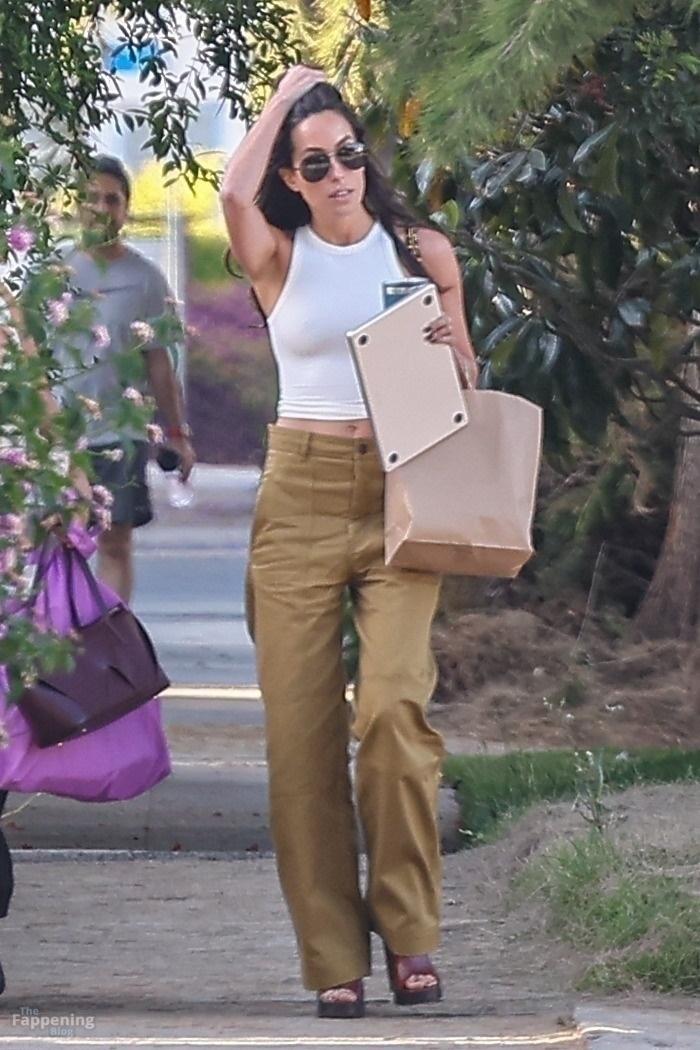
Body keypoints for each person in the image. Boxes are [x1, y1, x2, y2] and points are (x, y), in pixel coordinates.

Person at [220, 66, 478, 1018]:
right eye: (315, 163)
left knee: (395, 715)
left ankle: (410, 933)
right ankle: (334, 954)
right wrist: (282, 95)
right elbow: (231, 193)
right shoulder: (276, 255)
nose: (339, 174)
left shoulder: (421, 250)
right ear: (291, 177)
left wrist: (451, 352)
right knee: (301, 744)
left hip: (401, 494)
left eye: (349, 154)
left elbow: (465, 372)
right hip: (299, 497)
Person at [55, 154, 195, 602]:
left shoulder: (145, 279)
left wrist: (177, 434)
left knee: (115, 543)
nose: (102, 208)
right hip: (59, 434)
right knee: (60, 545)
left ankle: (111, 637)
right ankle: (62, 637)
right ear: (77, 205)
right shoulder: (52, 273)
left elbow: (159, 363)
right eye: (92, 198)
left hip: (119, 433)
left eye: (112, 199)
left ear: (126, 208)